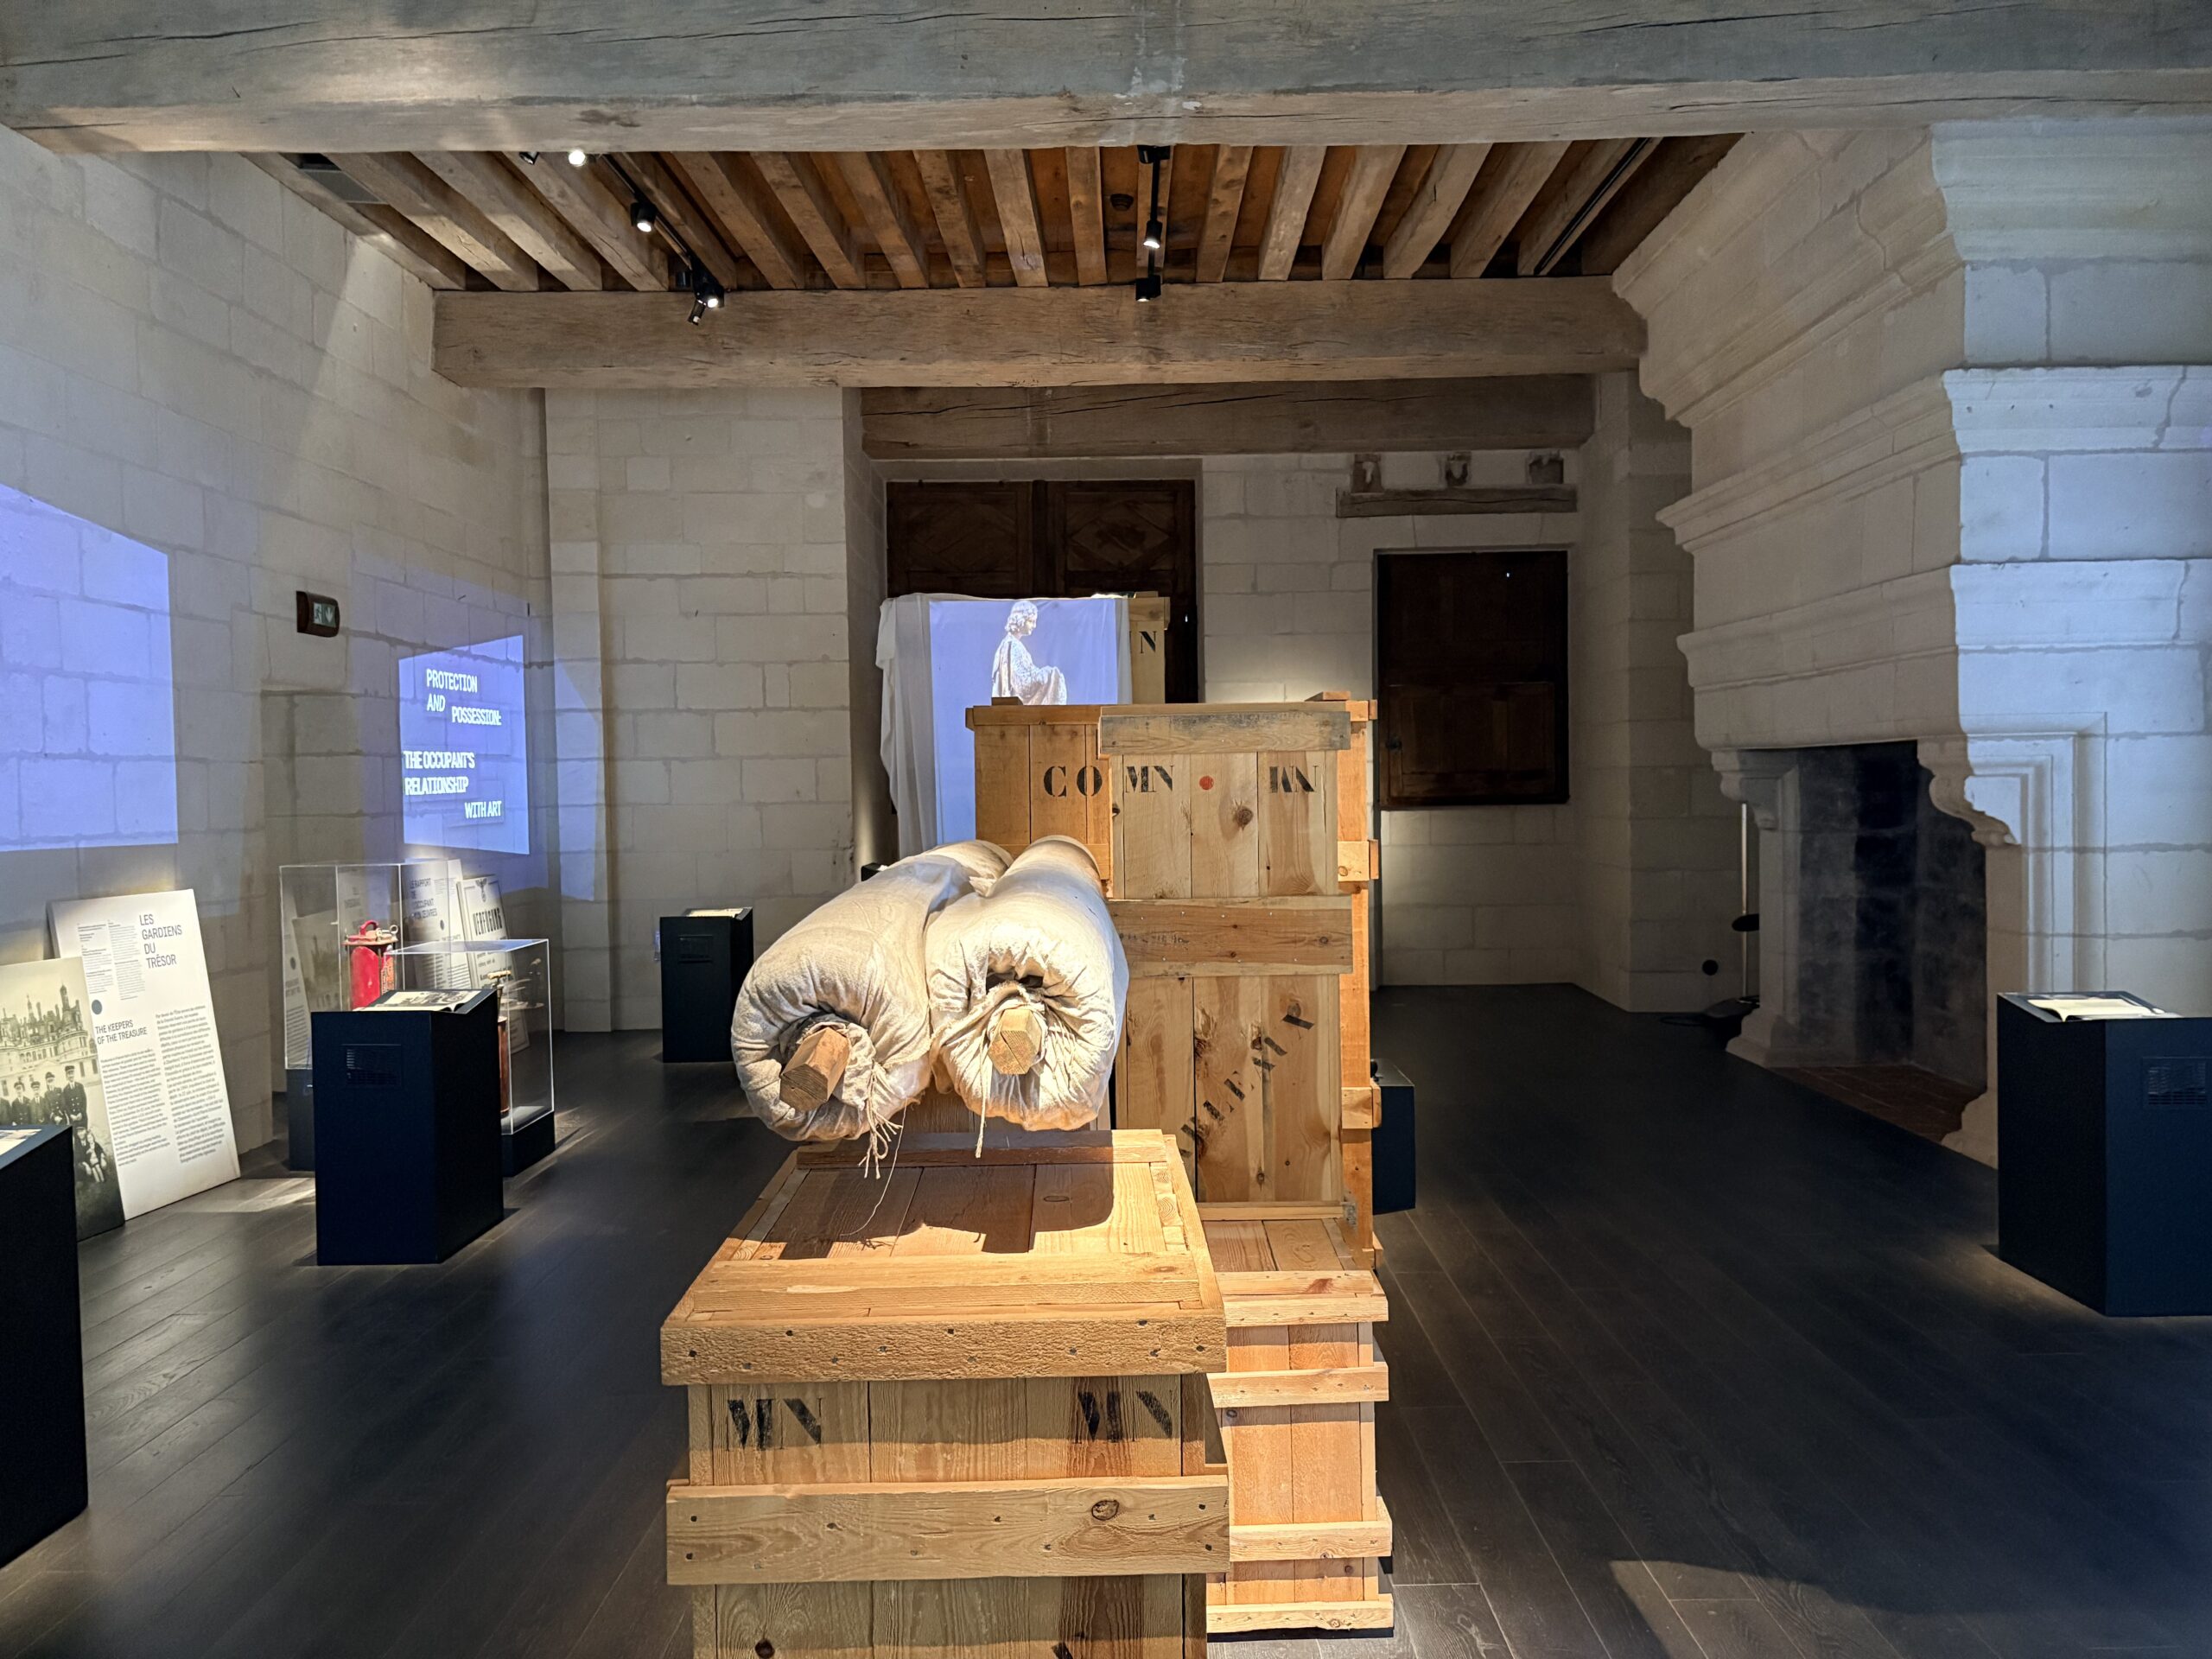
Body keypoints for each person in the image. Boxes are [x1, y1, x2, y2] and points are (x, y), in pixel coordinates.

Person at [989, 599, 1068, 705]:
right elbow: (1023, 685)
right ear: (1020, 620)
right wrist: (1047, 674)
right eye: (1031, 621)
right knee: (1054, 675)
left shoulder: (1007, 644)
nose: (1034, 625)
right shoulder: (1014, 646)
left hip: (1009, 707)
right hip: (1013, 709)